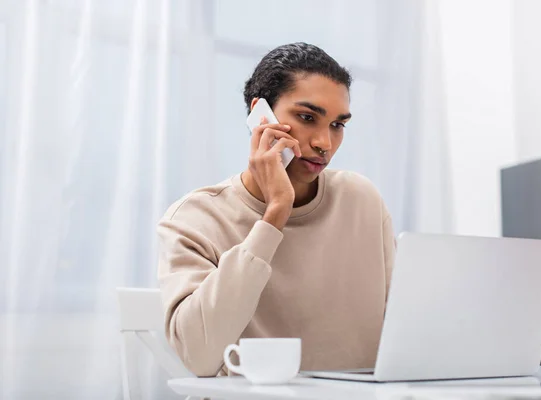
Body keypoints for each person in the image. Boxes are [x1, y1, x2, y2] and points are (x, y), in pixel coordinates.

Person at [157, 42, 396, 377]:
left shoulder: (362, 199)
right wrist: (275, 215)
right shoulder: (194, 219)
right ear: (260, 116)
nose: (324, 143)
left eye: (337, 125)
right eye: (307, 117)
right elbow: (200, 357)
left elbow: (401, 328)